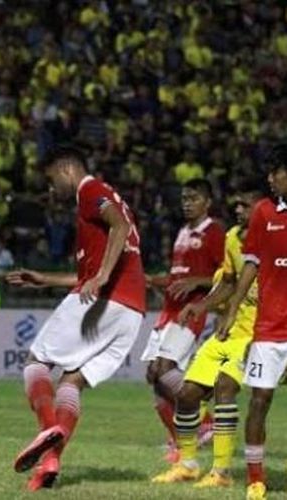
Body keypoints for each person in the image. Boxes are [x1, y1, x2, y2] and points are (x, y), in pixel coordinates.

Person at [6, 145, 145, 491]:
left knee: (36, 360)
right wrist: (46, 280)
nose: (52, 189)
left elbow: (121, 225)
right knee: (71, 382)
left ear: (67, 169)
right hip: (131, 312)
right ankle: (50, 461)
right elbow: (89, 271)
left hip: (106, 300)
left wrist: (101, 277)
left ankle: (47, 431)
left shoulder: (90, 190)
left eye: (53, 180)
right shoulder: (96, 205)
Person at [151, 185, 262, 487]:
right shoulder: (232, 239)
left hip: (260, 334)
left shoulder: (279, 240)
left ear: (263, 208)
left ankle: (222, 473)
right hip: (228, 331)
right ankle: (187, 464)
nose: (238, 210)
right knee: (187, 394)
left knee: (225, 387)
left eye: (245, 204)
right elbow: (227, 281)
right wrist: (200, 306)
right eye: (236, 204)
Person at [216, 145, 287, 500]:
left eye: (277, 172)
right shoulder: (263, 212)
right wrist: (231, 311)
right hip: (270, 330)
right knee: (260, 399)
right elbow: (250, 265)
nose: (271, 179)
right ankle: (256, 479)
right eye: (270, 173)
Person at [143, 179, 225, 463]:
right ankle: (179, 442)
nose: (187, 203)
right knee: (154, 376)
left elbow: (226, 274)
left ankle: (204, 421)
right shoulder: (181, 232)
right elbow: (178, 277)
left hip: (191, 312)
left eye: (193, 198)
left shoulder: (213, 232)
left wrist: (197, 282)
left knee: (165, 369)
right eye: (184, 198)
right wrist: (155, 280)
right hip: (168, 310)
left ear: (207, 202)